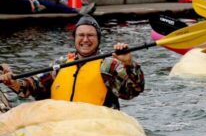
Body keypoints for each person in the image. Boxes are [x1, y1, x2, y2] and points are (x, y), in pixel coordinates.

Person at [0, 15, 144, 110]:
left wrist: (129, 64)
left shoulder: (109, 65)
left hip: (97, 132)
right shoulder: (60, 63)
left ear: (98, 39)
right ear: (74, 38)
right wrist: (12, 81)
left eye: (90, 35)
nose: (85, 40)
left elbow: (132, 91)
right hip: (61, 128)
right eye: (81, 35)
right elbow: (33, 86)